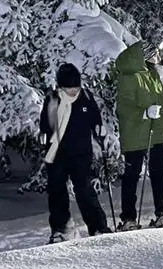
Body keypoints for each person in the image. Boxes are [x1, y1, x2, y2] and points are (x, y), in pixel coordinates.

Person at [39, 63, 111, 243]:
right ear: (61, 86)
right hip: (57, 154)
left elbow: (95, 118)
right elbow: (45, 122)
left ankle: (98, 227)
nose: (73, 91)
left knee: (85, 190)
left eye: (75, 87)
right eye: (69, 88)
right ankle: (60, 229)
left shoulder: (86, 97)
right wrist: (44, 135)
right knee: (57, 193)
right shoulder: (53, 99)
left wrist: (98, 129)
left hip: (81, 153)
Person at [115, 40, 163, 230]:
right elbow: (124, 107)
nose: (158, 56)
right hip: (135, 135)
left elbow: (160, 100)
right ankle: (128, 218)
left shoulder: (153, 75)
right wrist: (143, 113)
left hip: (155, 133)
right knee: (132, 176)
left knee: (158, 174)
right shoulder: (129, 76)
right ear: (145, 56)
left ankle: (162, 214)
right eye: (155, 53)